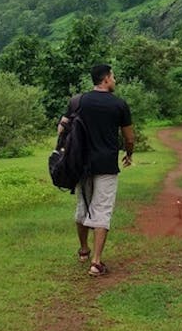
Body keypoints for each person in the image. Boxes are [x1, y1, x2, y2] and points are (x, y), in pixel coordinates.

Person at [58, 63, 135, 277]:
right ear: (106, 79)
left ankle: (84, 250)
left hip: (81, 164)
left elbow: (61, 127)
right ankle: (96, 262)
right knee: (102, 209)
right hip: (106, 164)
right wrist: (129, 154)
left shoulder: (78, 101)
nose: (115, 80)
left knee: (83, 206)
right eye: (114, 77)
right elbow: (129, 137)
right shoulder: (119, 105)